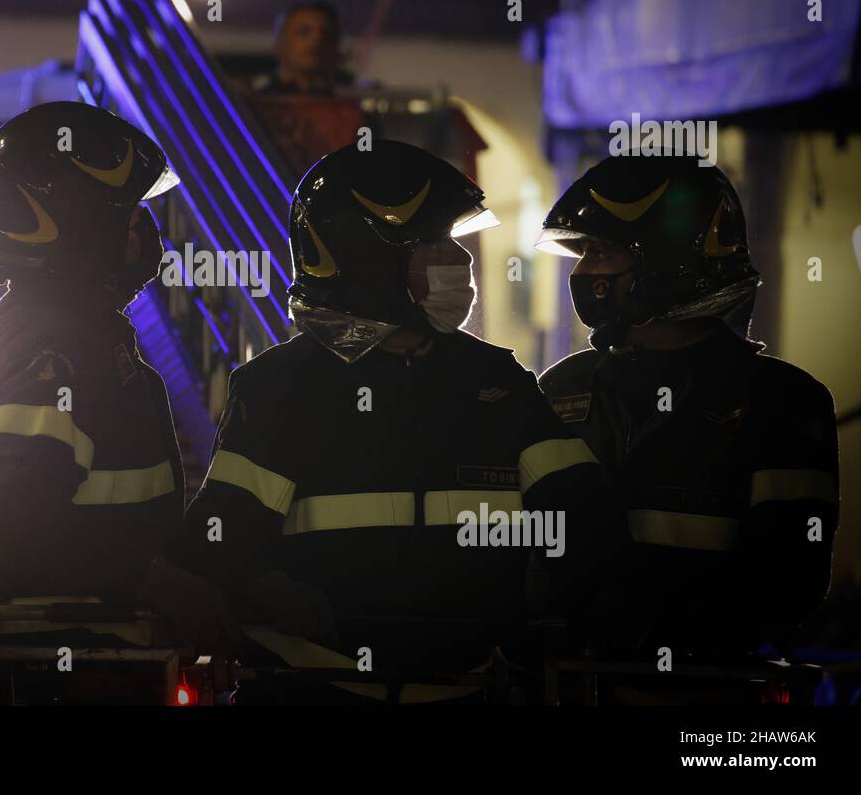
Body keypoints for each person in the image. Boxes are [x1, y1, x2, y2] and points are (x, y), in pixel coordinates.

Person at [165, 140, 607, 703]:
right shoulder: (281, 389)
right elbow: (217, 546)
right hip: (318, 691)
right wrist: (263, 589)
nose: (460, 259)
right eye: (434, 242)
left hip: (467, 689)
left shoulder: (495, 381)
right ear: (367, 257)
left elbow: (584, 520)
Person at [534, 156, 839, 676]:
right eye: (581, 253)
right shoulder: (562, 388)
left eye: (601, 252)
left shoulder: (783, 401)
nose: (583, 273)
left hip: (708, 688)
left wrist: (654, 616)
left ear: (666, 263)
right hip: (572, 685)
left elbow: (791, 585)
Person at [0, 101, 192, 605]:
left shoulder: (62, 322)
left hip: (77, 653)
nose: (144, 231)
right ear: (81, 221)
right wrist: (148, 583)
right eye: (127, 215)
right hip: (63, 661)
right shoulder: (56, 343)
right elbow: (14, 516)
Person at [251, 0, 343, 96]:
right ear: (279, 43)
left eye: (326, 34)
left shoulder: (348, 102)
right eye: (304, 32)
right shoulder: (257, 102)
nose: (317, 40)